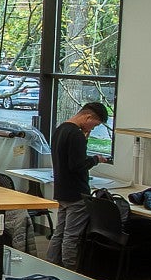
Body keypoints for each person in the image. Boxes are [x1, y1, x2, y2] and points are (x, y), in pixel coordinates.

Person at [46, 101, 112, 270]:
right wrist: (95, 159)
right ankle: (70, 271)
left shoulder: (61, 129)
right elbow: (77, 165)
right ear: (88, 116)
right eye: (95, 125)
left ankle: (51, 265)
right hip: (76, 193)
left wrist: (86, 137)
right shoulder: (75, 135)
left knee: (59, 233)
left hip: (62, 189)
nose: (93, 129)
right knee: (71, 236)